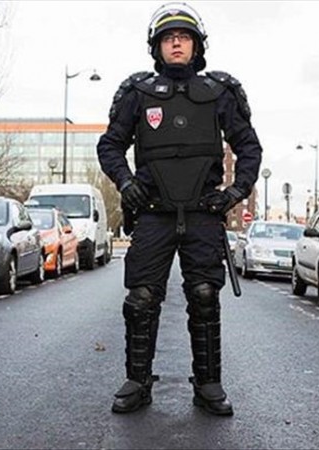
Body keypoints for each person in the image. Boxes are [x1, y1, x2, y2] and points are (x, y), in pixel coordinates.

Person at [97, 2, 262, 416]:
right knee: (141, 298)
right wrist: (126, 182)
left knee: (205, 296)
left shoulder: (219, 93)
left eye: (184, 37)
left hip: (205, 213)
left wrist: (235, 192)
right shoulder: (138, 94)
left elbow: (249, 148)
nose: (176, 43)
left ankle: (208, 384)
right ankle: (138, 381)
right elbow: (110, 145)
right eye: (169, 38)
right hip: (152, 212)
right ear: (156, 46)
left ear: (196, 46)